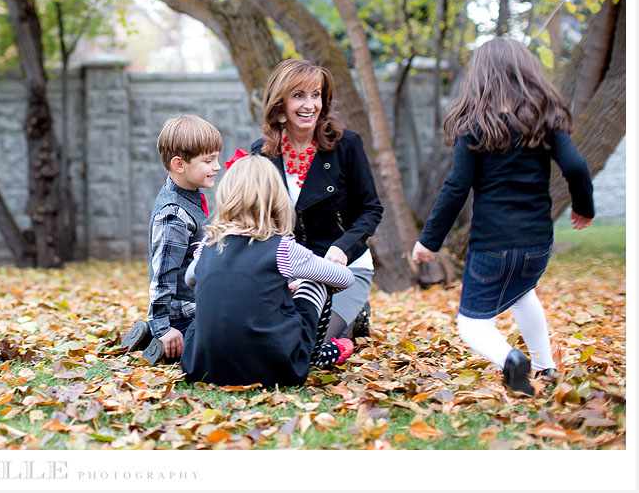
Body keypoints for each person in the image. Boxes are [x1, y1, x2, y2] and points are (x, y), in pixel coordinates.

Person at [411, 37, 594, 397]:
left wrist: (428, 241)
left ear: (479, 78)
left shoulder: (473, 126)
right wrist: (583, 206)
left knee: (471, 324)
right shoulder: (546, 119)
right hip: (538, 241)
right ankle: (546, 367)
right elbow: (576, 165)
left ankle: (511, 360)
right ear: (527, 73)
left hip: (492, 245)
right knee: (523, 294)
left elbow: (455, 189)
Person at [180, 155, 355, 387]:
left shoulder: (206, 247)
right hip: (277, 371)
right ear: (276, 198)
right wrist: (300, 283)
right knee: (318, 282)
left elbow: (190, 278)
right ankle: (313, 356)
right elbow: (345, 278)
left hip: (202, 369)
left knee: (210, 301)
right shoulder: (282, 248)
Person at [251, 59, 383, 365]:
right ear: (279, 102)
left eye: (316, 95)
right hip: (290, 269)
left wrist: (344, 248)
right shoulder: (263, 152)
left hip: (342, 269)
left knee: (303, 351)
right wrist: (281, 274)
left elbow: (370, 209)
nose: (310, 104)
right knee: (268, 343)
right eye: (298, 95)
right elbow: (260, 220)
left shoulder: (346, 144)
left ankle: (349, 322)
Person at [121, 114, 222, 363]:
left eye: (216, 158)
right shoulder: (174, 215)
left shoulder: (190, 195)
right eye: (209, 161)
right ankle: (162, 341)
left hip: (195, 305)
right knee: (218, 351)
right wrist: (163, 327)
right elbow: (163, 274)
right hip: (183, 315)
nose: (217, 166)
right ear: (179, 165)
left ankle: (151, 336)